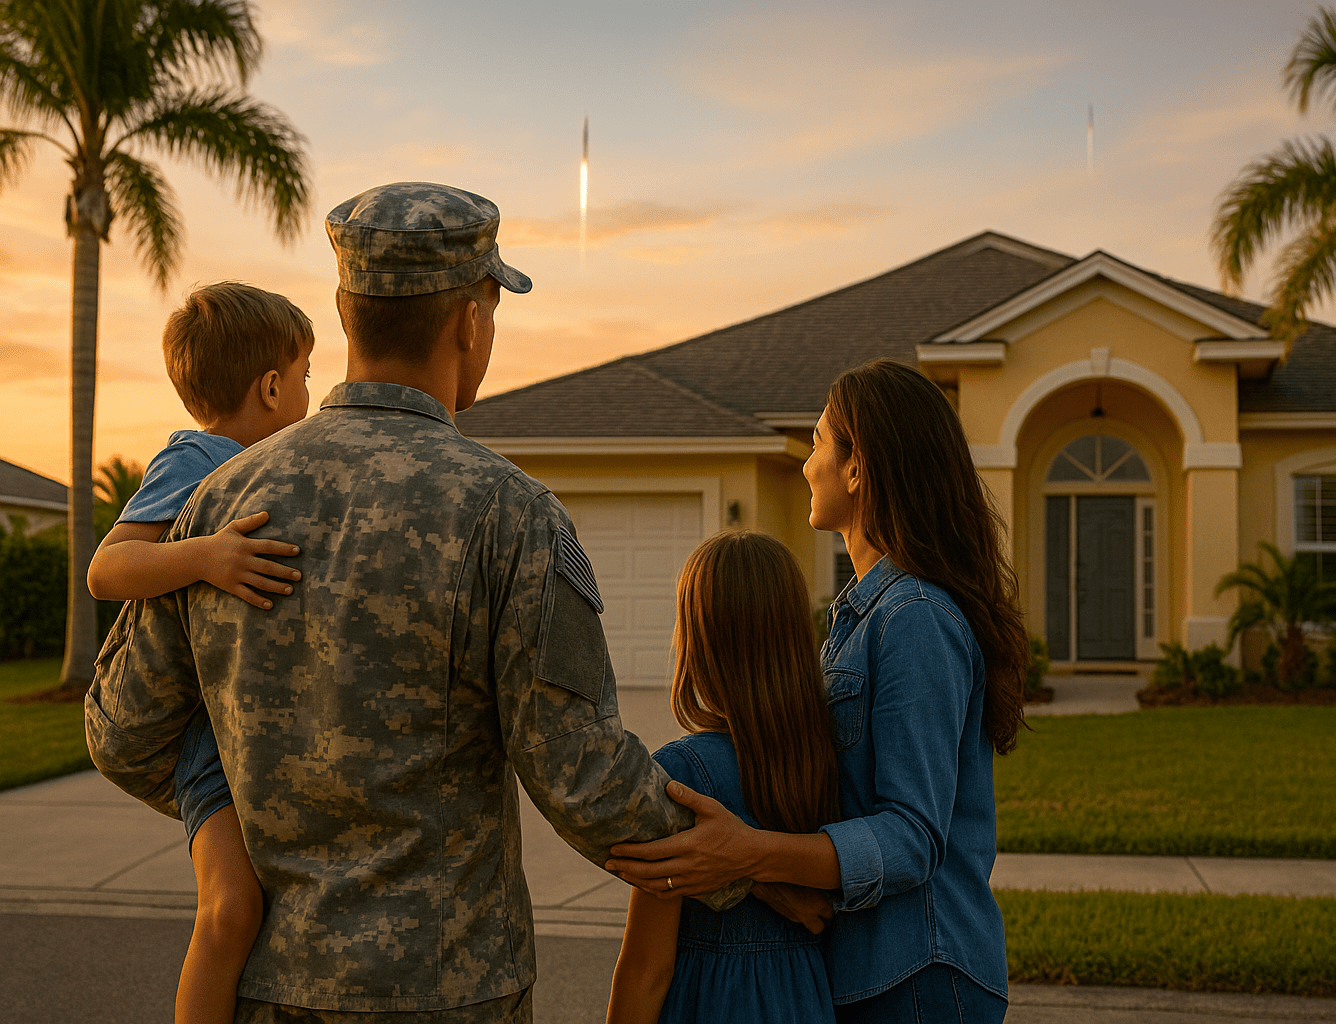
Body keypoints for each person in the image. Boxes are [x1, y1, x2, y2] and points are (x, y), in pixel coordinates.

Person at [86, 181, 743, 1024]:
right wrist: (751, 871)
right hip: (451, 989)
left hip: (269, 988)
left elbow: (121, 729)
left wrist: (244, 796)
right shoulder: (510, 514)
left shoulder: (213, 505)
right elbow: (582, 776)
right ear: (471, 320)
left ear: (346, 312)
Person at [607, 358, 1032, 1023]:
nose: (807, 465)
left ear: (857, 468)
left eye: (816, 442)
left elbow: (913, 835)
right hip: (871, 971)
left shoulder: (915, 618)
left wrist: (750, 854)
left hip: (920, 972)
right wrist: (758, 874)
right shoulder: (858, 618)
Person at [88, 282, 314, 1024]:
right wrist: (206, 556)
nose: (311, 390)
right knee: (230, 908)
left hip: (255, 727)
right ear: (273, 386)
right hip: (206, 743)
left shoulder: (281, 468)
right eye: (307, 375)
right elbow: (108, 569)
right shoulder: (196, 459)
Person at [606, 531, 838, 1024]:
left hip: (711, 1001)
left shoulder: (681, 777)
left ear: (697, 640)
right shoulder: (829, 765)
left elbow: (648, 968)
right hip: (805, 1001)